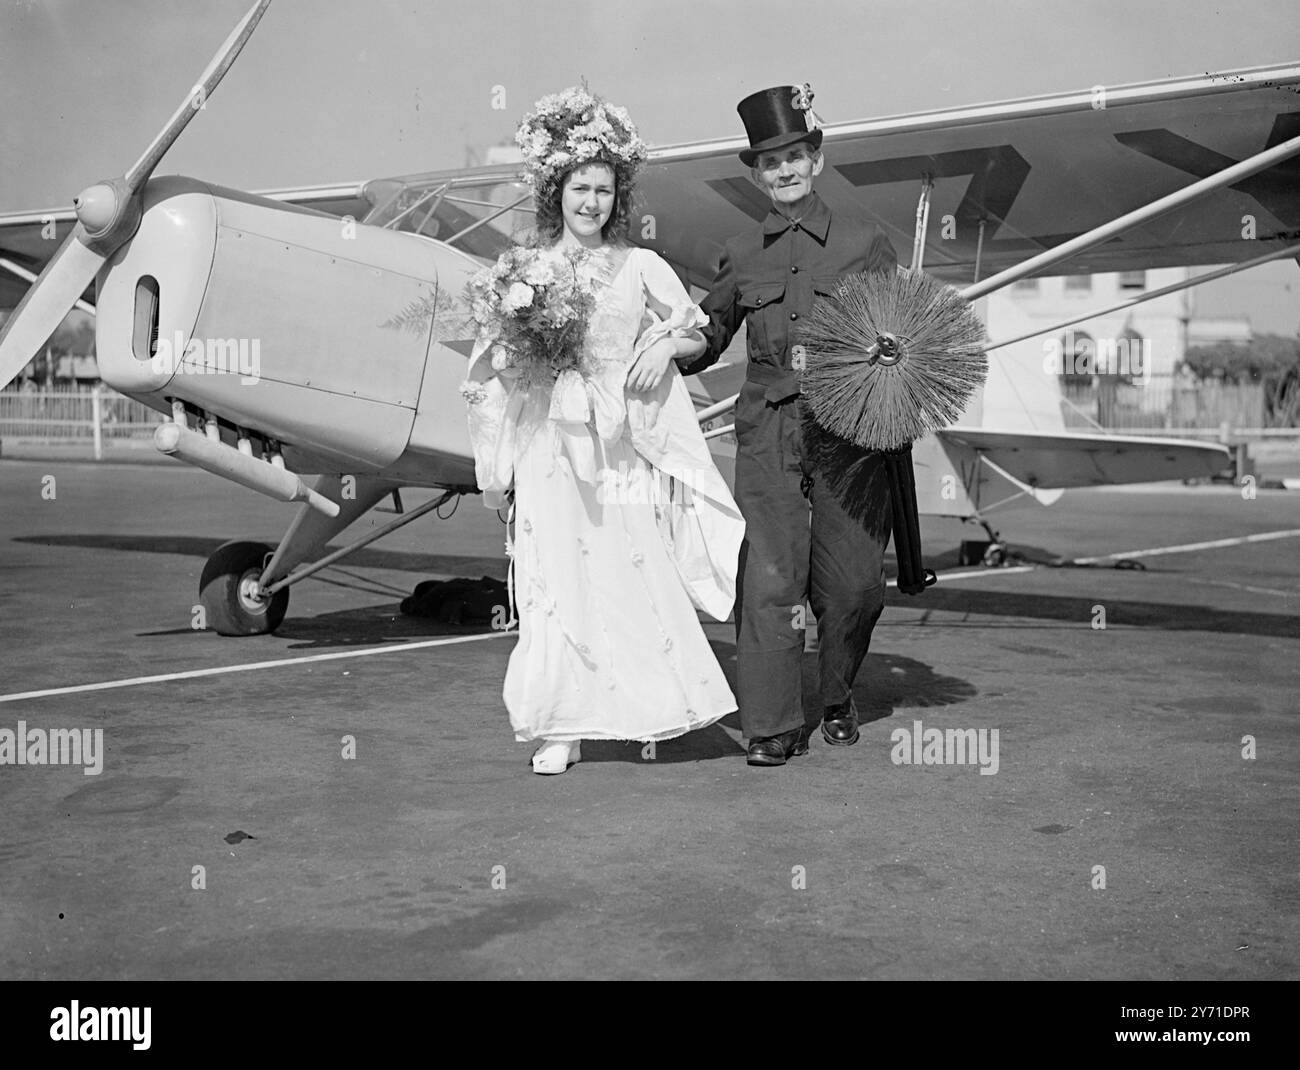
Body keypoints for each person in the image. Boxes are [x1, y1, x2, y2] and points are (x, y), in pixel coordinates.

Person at [462, 87, 744, 774]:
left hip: (617, 444)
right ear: (557, 190)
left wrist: (657, 348)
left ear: (619, 199)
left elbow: (695, 332)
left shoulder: (642, 265)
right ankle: (562, 727)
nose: (592, 202)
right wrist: (509, 371)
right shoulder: (524, 271)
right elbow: (492, 367)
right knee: (554, 578)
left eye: (605, 191)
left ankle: (647, 709)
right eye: (580, 188)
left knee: (626, 569)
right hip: (548, 446)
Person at [680, 84, 900, 767]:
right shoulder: (742, 252)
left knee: (855, 585)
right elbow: (709, 335)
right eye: (770, 163)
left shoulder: (867, 244)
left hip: (849, 434)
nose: (785, 171)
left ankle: (835, 695)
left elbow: (901, 337)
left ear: (818, 161)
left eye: (796, 156)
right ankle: (771, 727)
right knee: (769, 582)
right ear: (756, 174)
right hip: (770, 433)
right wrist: (661, 343)